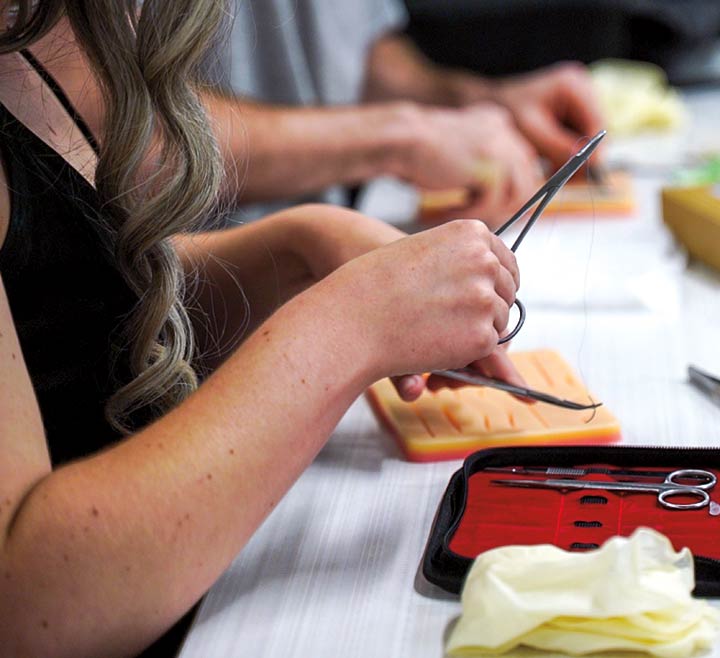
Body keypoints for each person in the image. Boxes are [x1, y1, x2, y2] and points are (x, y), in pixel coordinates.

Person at [0, 2, 526, 656]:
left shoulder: (40, 32)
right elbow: (30, 602)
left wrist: (296, 248)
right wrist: (350, 324)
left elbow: (55, 304)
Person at [220, 0, 605, 223]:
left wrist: (480, 100)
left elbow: (353, 55)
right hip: (188, 316)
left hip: (314, 266)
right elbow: (159, 141)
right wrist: (404, 137)